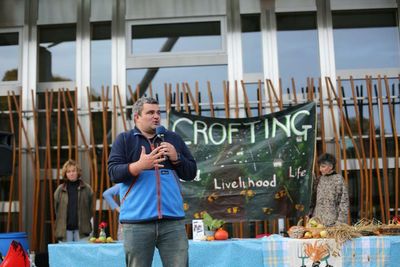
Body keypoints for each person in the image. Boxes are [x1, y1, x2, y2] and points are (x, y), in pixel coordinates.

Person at [108, 97, 197, 267]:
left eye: (158, 112)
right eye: (150, 112)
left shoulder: (173, 138)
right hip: (136, 224)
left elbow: (191, 173)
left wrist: (176, 157)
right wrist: (139, 166)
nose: (156, 116)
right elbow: (113, 173)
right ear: (137, 117)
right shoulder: (125, 140)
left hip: (173, 222)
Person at [54, 159, 93, 242]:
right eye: (68, 172)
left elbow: (91, 209)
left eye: (73, 171)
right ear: (65, 174)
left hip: (82, 231)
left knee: (82, 255)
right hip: (65, 231)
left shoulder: (87, 189)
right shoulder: (60, 190)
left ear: (77, 172)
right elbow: (56, 209)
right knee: (65, 255)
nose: (71, 174)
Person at [309, 153, 349, 226]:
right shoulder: (319, 179)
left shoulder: (338, 180)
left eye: (323, 166)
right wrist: (309, 215)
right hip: (317, 223)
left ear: (331, 166)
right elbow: (313, 200)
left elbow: (344, 202)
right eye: (320, 166)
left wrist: (340, 223)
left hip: (333, 223)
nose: (320, 169)